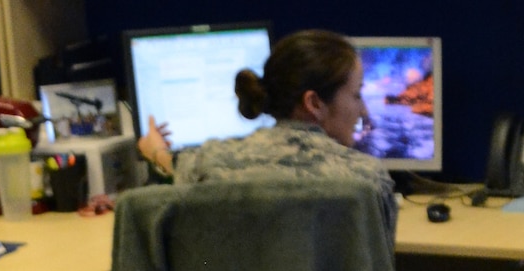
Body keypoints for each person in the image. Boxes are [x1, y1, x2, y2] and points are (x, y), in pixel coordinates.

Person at [135, 29, 396, 243]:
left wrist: (154, 150)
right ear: (314, 103)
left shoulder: (211, 163)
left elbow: (174, 165)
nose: (363, 109)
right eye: (356, 94)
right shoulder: (367, 181)